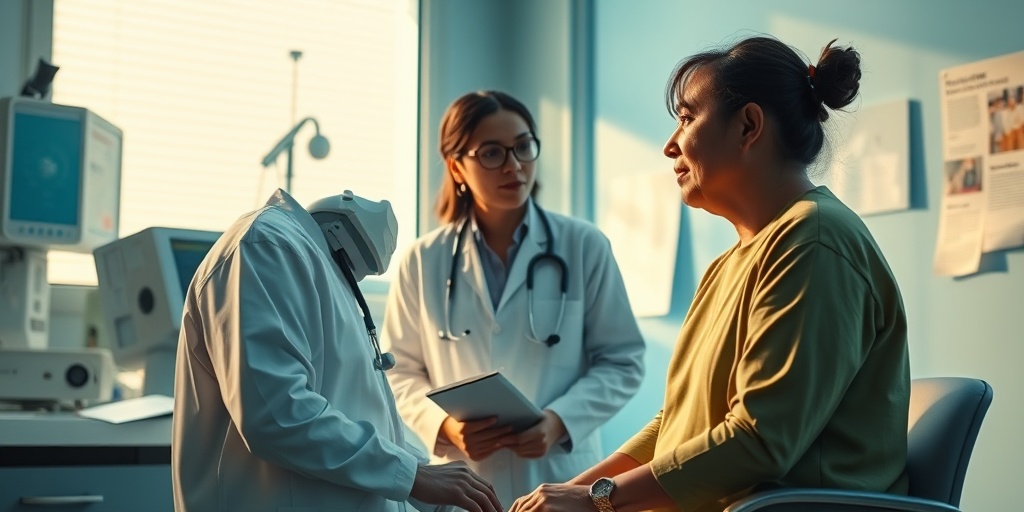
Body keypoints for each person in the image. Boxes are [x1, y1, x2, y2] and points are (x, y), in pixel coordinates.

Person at [510, 35, 910, 512]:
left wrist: (598, 501)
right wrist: (574, 492)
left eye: (686, 118)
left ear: (748, 126)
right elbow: (677, 424)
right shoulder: (733, 262)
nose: (669, 145)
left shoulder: (815, 241)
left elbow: (759, 440)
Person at [381, 90, 646, 507]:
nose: (514, 165)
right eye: (491, 152)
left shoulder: (584, 246)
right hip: (464, 483)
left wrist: (559, 422)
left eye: (523, 146)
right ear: (456, 167)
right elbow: (397, 370)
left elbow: (623, 360)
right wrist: (445, 427)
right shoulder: (422, 260)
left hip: (562, 476)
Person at [171, 188, 503, 512]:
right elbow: (276, 414)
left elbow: (357, 418)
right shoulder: (268, 245)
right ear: (338, 235)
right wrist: (413, 475)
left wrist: (436, 488)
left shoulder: (311, 262)